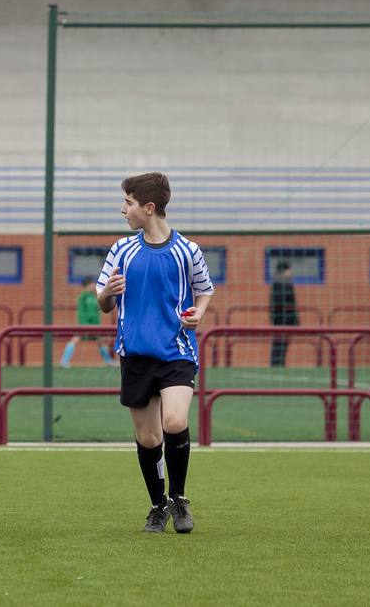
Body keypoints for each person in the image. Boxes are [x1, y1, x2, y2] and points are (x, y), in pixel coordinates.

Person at [96, 172, 214, 535]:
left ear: (149, 208)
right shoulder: (121, 250)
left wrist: (199, 313)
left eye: (128, 203)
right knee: (149, 439)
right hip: (135, 355)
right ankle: (157, 506)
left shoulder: (187, 251)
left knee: (175, 421)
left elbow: (204, 289)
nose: (123, 210)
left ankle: (179, 500)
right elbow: (102, 302)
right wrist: (108, 293)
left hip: (176, 351)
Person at [60, 276, 116, 368]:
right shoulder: (83, 297)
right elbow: (84, 312)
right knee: (75, 340)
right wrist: (84, 324)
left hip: (94, 326)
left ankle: (109, 361)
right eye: (92, 284)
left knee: (100, 341)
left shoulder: (95, 296)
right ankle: (64, 361)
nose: (93, 286)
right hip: (85, 325)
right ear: (87, 286)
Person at [269, 261, 299, 368]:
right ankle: (276, 364)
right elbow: (280, 303)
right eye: (289, 270)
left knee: (283, 343)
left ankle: (280, 363)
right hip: (281, 319)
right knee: (279, 343)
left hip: (285, 319)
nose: (291, 272)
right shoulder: (279, 284)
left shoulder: (285, 283)